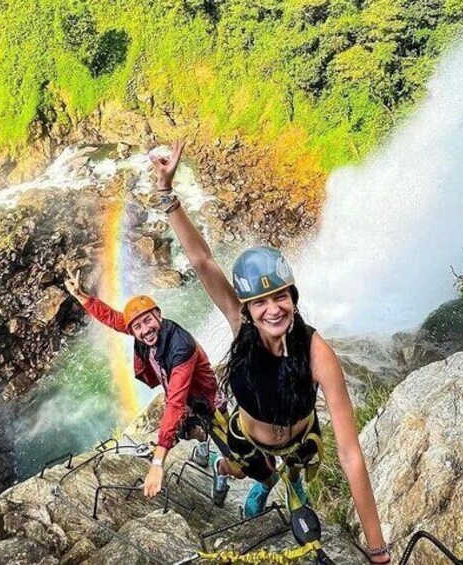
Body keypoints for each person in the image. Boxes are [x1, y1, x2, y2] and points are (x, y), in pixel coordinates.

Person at [149, 140, 392, 564]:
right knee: (245, 470)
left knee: (296, 481)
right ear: (247, 308)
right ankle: (227, 474)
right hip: (245, 437)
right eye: (261, 302)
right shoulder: (240, 325)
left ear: (293, 297)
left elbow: (350, 453)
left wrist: (377, 550)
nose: (273, 309)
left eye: (281, 296)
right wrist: (168, 197)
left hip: (300, 442)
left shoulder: (317, 353)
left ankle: (284, 483)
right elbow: (204, 262)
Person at [64, 274, 230, 504]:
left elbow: (175, 402)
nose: (145, 330)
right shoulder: (141, 332)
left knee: (238, 463)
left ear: (159, 316)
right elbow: (114, 318)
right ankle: (202, 443)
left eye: (148, 321)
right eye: (138, 326)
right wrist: (83, 298)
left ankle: (221, 468)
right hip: (185, 402)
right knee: (190, 431)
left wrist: (158, 461)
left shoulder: (181, 347)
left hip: (207, 402)